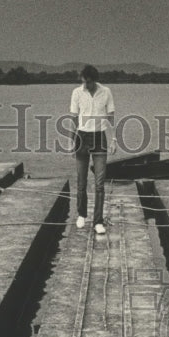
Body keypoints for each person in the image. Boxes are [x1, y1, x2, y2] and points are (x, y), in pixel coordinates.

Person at [69, 65, 115, 234]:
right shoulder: (77, 92)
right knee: (81, 181)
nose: (85, 85)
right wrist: (71, 140)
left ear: (94, 80)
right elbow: (73, 118)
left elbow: (111, 117)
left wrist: (114, 139)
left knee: (99, 183)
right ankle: (82, 214)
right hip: (81, 138)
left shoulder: (106, 92)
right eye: (83, 82)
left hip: (99, 138)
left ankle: (98, 222)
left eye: (88, 82)